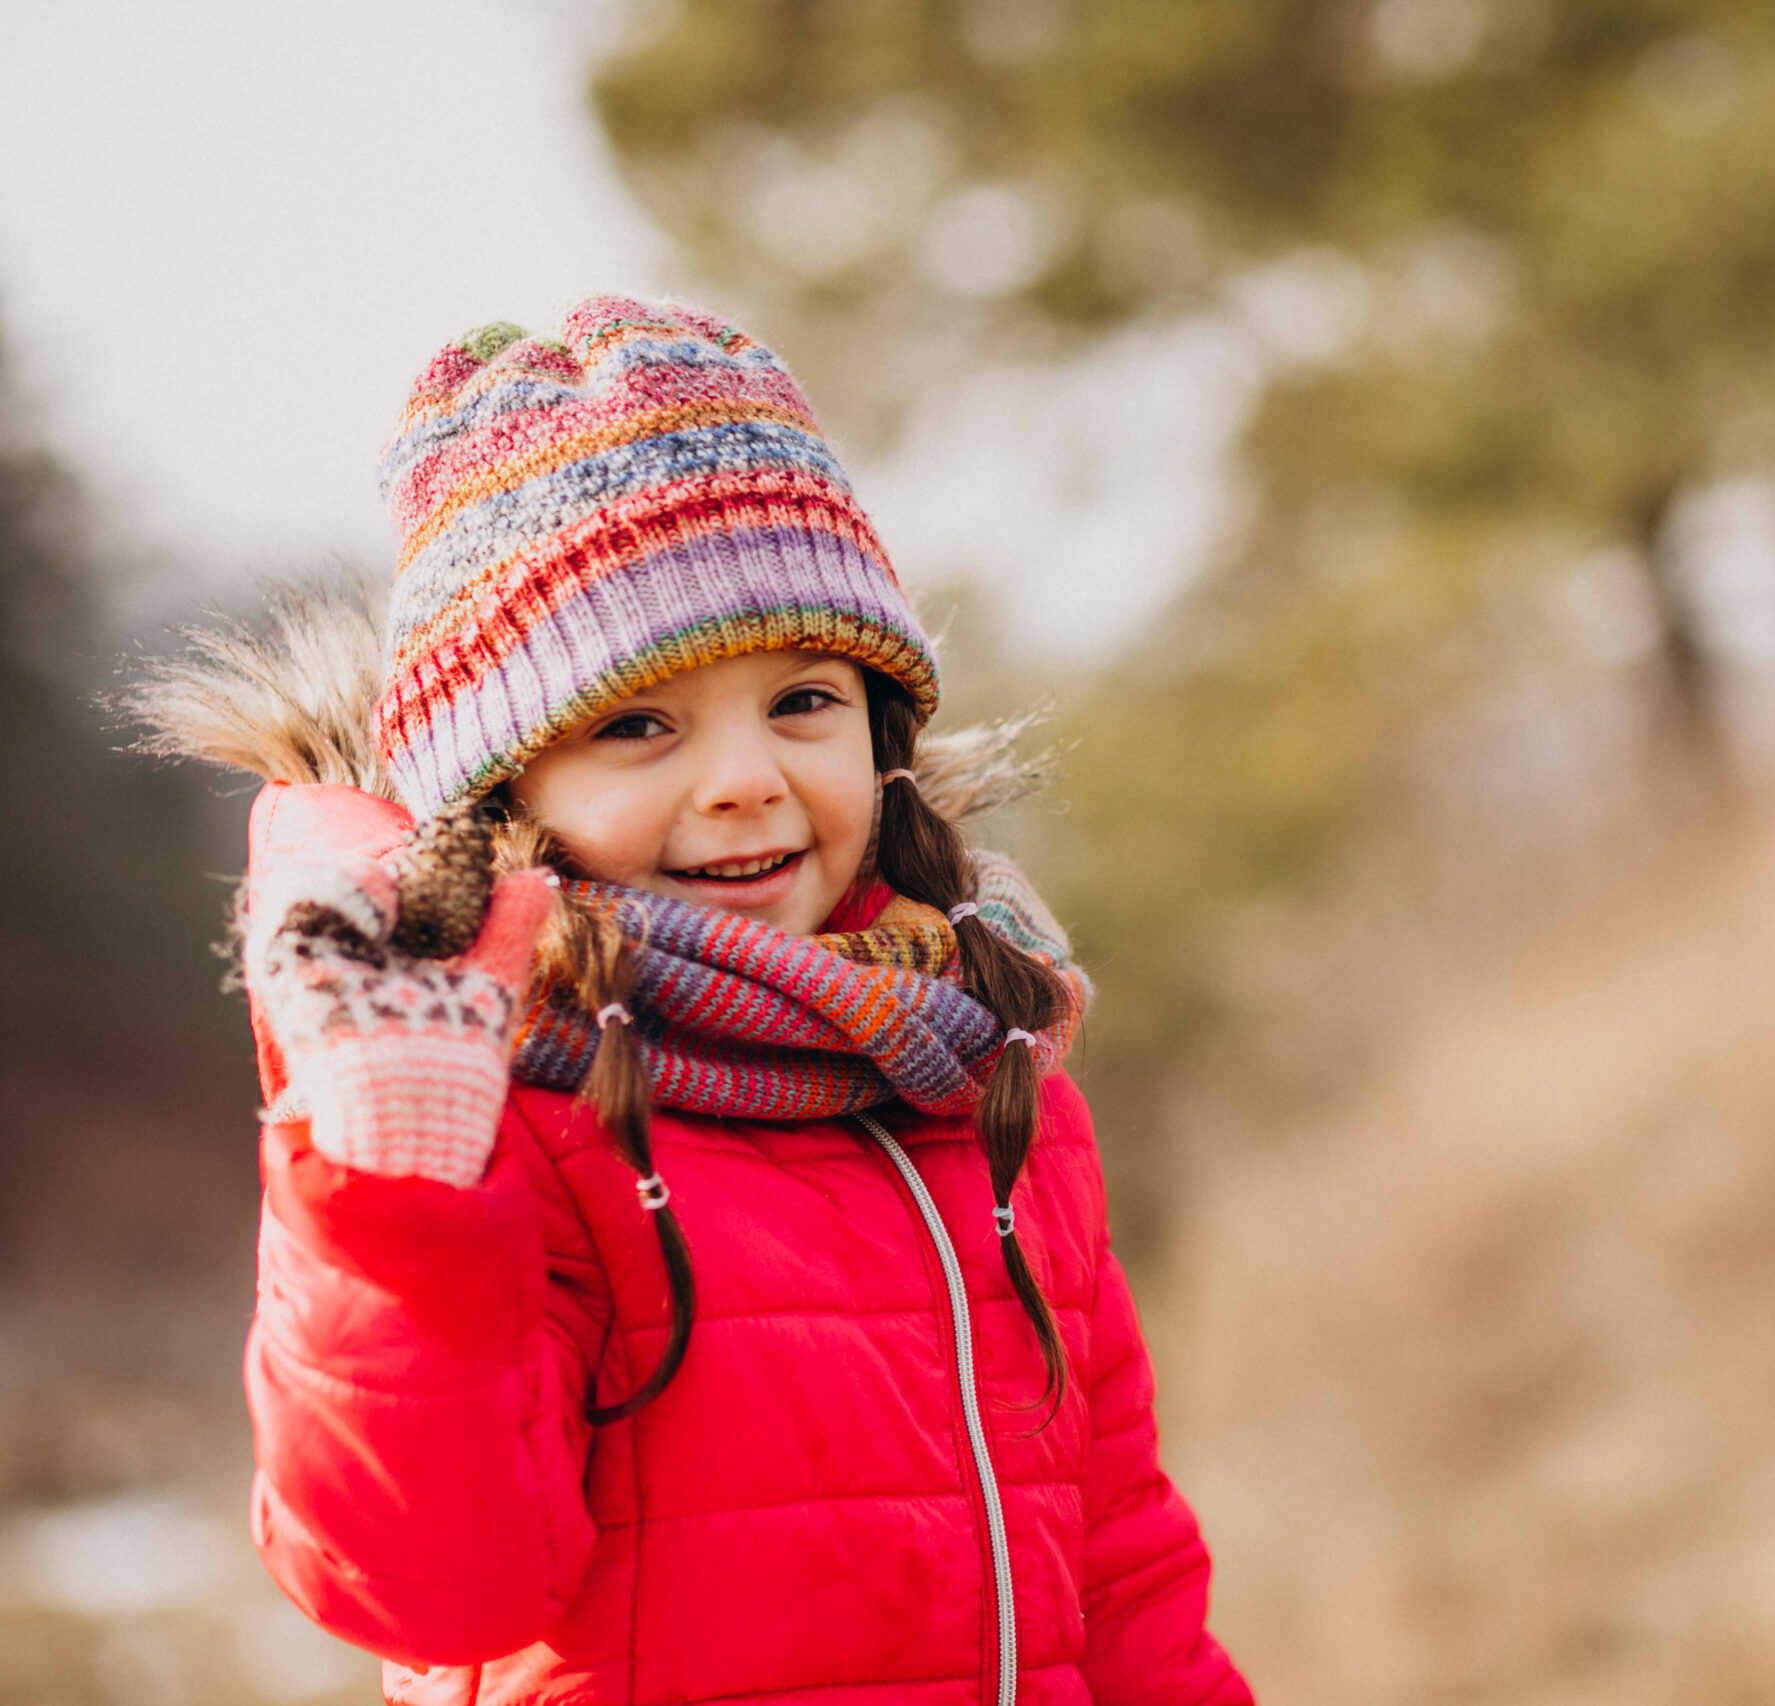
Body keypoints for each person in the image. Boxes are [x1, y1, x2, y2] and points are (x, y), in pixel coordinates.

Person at [139, 296, 1252, 1706]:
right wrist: (394, 1191)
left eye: (803, 700)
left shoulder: (987, 1074)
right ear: (506, 792)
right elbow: (433, 1581)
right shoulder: (508, 1112)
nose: (742, 778)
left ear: (884, 731)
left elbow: (1127, 1570)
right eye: (637, 723)